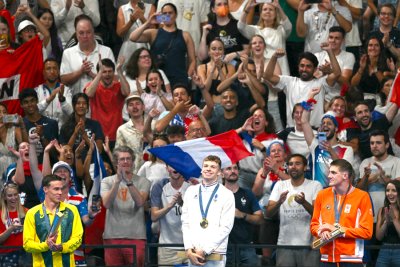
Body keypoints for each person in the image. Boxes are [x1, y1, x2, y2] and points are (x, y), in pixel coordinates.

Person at [310, 159, 374, 265]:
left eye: (333, 172)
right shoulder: (322, 195)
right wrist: (322, 232)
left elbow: (367, 232)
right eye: (329, 172)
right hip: (326, 259)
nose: (329, 176)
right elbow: (314, 225)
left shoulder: (362, 196)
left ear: (345, 175)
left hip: (351, 259)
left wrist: (339, 231)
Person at [264, 45, 341, 127]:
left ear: (315, 69)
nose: (304, 69)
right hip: (293, 130)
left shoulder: (321, 83)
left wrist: (329, 51)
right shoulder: (289, 81)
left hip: (315, 130)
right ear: (298, 67)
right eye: (302, 65)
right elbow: (268, 76)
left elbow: (337, 73)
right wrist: (274, 57)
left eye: (308, 66)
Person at [266, 154, 322, 267]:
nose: (293, 167)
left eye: (297, 164)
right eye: (290, 164)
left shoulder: (315, 185)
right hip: (284, 244)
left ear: (305, 167)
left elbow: (319, 214)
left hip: (309, 245)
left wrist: (304, 203)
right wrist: (279, 202)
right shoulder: (280, 185)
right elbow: (268, 213)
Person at [101, 146, 151, 267]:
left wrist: (128, 181)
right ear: (116, 162)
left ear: (133, 161)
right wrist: (117, 181)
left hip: (136, 236)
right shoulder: (106, 181)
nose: (125, 162)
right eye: (122, 159)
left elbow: (139, 202)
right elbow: (106, 204)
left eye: (128, 159)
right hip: (112, 236)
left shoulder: (143, 181)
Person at [181, 155, 235, 266]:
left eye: (213, 167)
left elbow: (226, 226)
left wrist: (205, 250)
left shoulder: (227, 194)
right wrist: (188, 248)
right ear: (201, 169)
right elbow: (185, 222)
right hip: (193, 252)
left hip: (215, 252)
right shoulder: (191, 191)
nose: (208, 169)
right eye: (205, 166)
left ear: (219, 172)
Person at [23, 174, 83, 267]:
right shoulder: (32, 213)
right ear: (45, 189)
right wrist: (46, 245)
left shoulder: (72, 210)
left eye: (61, 189)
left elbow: (78, 238)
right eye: (56, 189)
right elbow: (27, 244)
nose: (60, 192)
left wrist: (63, 247)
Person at [130, 3, 196, 87]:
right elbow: (132, 37)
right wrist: (148, 22)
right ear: (161, 16)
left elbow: (192, 60)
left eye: (170, 13)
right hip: (158, 80)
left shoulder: (185, 35)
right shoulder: (154, 33)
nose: (167, 15)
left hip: (180, 79)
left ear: (175, 15)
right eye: (164, 13)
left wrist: (188, 77)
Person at [302, 88, 354, 188]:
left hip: (337, 195)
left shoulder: (347, 149)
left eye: (329, 124)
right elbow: (304, 121)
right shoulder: (316, 146)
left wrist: (331, 151)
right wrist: (310, 98)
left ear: (336, 128)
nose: (325, 125)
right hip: (318, 195)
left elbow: (346, 172)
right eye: (323, 123)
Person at [60, 14, 115, 96]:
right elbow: (63, 80)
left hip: (101, 101)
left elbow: (114, 79)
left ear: (94, 32)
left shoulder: (106, 51)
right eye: (81, 33)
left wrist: (92, 74)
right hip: (76, 103)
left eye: (88, 32)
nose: (85, 36)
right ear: (76, 33)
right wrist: (80, 72)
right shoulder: (68, 53)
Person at [84, 57, 130, 149]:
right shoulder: (93, 86)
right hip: (98, 136)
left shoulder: (118, 86)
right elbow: (88, 94)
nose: (107, 74)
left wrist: (119, 71)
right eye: (104, 72)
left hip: (117, 135)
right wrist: (99, 73)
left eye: (110, 71)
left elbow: (126, 92)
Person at [223, 163, 263, 266]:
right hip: (223, 247)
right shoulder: (217, 194)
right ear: (221, 174)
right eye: (228, 168)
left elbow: (260, 219)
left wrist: (243, 215)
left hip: (246, 246)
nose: (233, 171)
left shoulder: (248, 193)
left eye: (235, 168)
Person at [150, 165, 190, 266]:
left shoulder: (191, 187)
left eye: (177, 165)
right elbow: (154, 216)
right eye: (171, 165)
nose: (175, 168)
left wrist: (182, 204)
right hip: (167, 248)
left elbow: (197, 216)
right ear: (167, 168)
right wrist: (169, 206)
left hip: (189, 247)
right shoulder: (159, 186)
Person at [238, 0, 292, 75]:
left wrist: (279, 8)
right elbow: (240, 26)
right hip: (262, 70)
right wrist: (247, 10)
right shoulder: (255, 30)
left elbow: (288, 26)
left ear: (276, 13)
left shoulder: (281, 29)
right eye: (265, 9)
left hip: (281, 69)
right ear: (261, 13)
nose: (268, 11)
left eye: (271, 9)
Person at [357, 130, 400, 222]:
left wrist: (383, 177)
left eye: (378, 143)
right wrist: (366, 177)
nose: (374, 146)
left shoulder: (397, 162)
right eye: (372, 143)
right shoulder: (365, 162)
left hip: (393, 217)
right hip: (369, 216)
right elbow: (359, 190)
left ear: (387, 145)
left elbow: (398, 189)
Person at [314, 26, 355, 103]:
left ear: (342, 40)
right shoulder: (317, 56)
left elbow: (345, 83)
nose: (333, 40)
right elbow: (313, 78)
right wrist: (323, 72)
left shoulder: (349, 56)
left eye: (337, 38)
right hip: (318, 96)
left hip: (338, 98)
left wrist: (330, 71)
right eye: (331, 37)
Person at [19, 88, 59, 164]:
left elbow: (55, 154)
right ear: (21, 105)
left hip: (47, 169)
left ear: (37, 101)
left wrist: (42, 136)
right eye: (26, 102)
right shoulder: (20, 125)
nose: (30, 104)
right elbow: (21, 150)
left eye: (32, 100)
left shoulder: (51, 123)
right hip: (27, 169)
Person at [35, 58, 73, 129]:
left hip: (61, 132)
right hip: (43, 132)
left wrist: (62, 100)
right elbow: (34, 111)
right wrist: (48, 100)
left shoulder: (66, 90)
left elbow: (71, 113)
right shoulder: (37, 90)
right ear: (43, 72)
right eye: (48, 69)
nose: (52, 71)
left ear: (58, 71)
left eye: (55, 68)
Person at [197, 38, 236, 104]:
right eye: (214, 49)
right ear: (209, 52)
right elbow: (205, 90)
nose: (217, 52)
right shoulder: (201, 68)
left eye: (220, 49)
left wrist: (220, 70)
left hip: (224, 104)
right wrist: (212, 70)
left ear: (223, 52)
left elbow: (226, 89)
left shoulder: (230, 67)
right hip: (206, 104)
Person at [0, 182, 27, 266]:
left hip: (25, 254)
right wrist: (10, 229)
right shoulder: (1, 214)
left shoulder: (27, 212)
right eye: (10, 195)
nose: (13, 198)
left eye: (15, 195)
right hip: (6, 254)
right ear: (4, 197)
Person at [375, 180, 400, 266]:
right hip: (384, 250)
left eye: (394, 190)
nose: (390, 193)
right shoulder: (382, 210)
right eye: (387, 190)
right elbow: (378, 237)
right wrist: (386, 222)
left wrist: (394, 219)